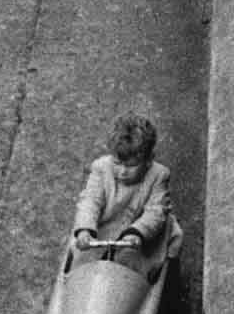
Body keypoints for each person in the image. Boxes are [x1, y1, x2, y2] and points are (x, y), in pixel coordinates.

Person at [72, 113, 182, 275]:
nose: (122, 172)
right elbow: (90, 202)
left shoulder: (159, 175)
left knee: (134, 265)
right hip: (103, 233)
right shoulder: (100, 168)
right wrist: (85, 229)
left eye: (131, 166)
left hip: (138, 237)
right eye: (117, 163)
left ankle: (169, 280)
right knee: (81, 263)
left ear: (148, 160)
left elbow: (155, 211)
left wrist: (137, 233)